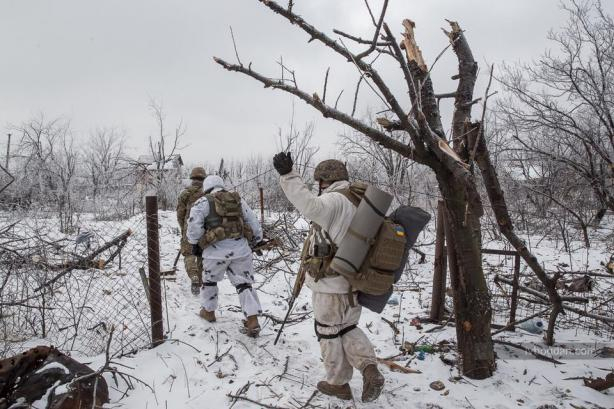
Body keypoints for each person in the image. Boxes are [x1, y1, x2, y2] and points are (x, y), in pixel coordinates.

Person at [272, 152, 385, 403]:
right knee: (347, 327)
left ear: (324, 181)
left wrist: (288, 175)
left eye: (318, 183)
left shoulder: (334, 200)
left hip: (329, 284)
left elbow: (309, 206)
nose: (317, 187)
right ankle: (369, 368)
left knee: (328, 331)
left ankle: (338, 383)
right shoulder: (363, 201)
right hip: (354, 281)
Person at [186, 175, 263, 337]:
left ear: (206, 188)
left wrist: (195, 243)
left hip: (214, 253)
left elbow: (193, 228)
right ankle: (252, 319)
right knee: (244, 284)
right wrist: (257, 240)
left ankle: (209, 311)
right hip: (241, 250)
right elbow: (253, 222)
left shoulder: (202, 202)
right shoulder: (238, 200)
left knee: (209, 281)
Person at [176, 167, 207, 295]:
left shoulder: (185, 193)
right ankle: (200, 280)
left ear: (192, 178)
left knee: (189, 254)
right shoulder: (208, 193)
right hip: (205, 229)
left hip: (189, 228)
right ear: (204, 178)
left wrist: (183, 228)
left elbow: (180, 214)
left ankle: (193, 276)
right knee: (202, 255)